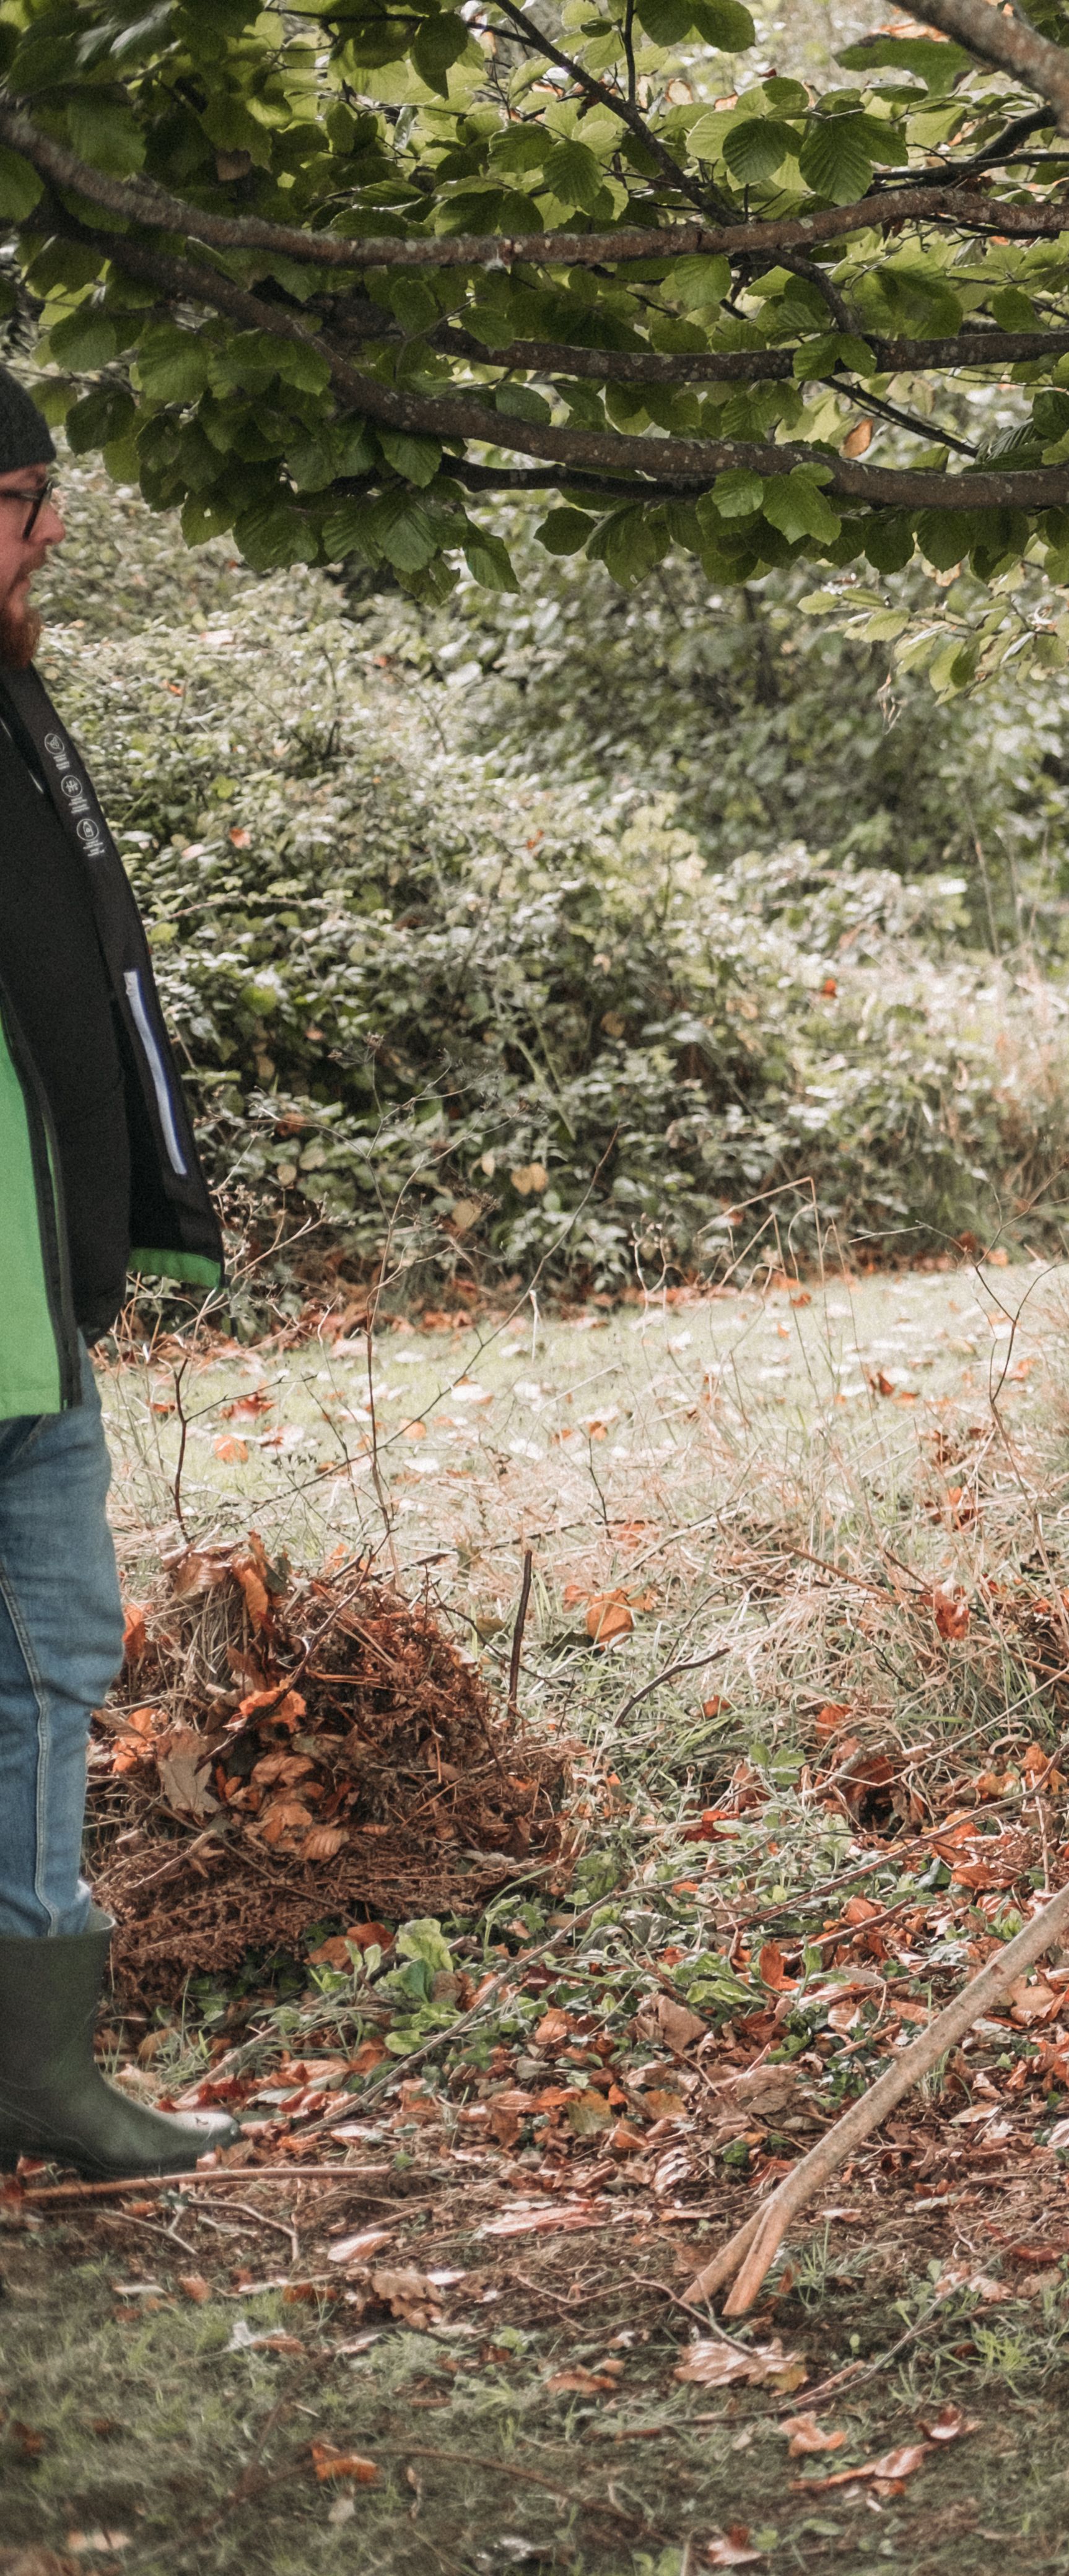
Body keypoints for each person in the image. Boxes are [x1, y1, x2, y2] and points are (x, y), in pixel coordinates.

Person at [0, 375, 242, 2175]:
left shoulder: (13, 708)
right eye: (23, 495)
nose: (52, 528)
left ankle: (34, 2067)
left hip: (31, 1293)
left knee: (52, 1650)